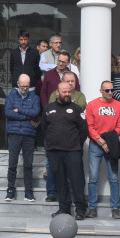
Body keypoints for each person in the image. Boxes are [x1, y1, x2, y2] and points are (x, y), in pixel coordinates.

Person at [42, 82, 89, 220]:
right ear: (57, 92)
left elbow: (83, 130)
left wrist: (75, 144)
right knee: (60, 181)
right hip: (54, 151)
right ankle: (64, 208)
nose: (67, 94)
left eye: (69, 92)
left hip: (72, 151)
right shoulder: (48, 108)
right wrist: (51, 143)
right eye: (64, 92)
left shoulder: (76, 109)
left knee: (77, 180)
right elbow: (44, 129)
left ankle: (80, 209)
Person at [85, 80, 120, 219]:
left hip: (112, 144)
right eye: (107, 90)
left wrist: (108, 142)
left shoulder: (119, 105)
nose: (110, 93)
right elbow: (89, 126)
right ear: (100, 90)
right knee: (93, 177)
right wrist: (101, 142)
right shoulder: (92, 105)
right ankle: (92, 208)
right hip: (96, 144)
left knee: (114, 178)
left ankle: (115, 208)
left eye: (112, 90)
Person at [3, 74, 40, 202]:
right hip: (13, 134)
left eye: (27, 86)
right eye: (23, 86)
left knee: (28, 165)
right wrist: (25, 116)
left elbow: (35, 113)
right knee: (12, 164)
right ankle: (10, 190)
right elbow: (8, 113)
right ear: (18, 84)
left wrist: (19, 110)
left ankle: (28, 192)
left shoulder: (35, 98)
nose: (25, 88)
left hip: (29, 134)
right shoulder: (10, 97)